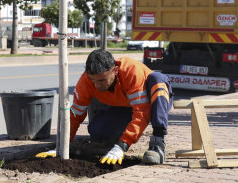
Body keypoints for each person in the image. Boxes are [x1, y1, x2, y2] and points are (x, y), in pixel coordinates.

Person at [36, 49, 173, 165]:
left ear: (115, 71)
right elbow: (75, 115)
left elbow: (142, 113)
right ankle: (116, 140)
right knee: (98, 131)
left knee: (157, 79)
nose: (97, 85)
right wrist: (60, 146)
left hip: (154, 101)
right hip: (123, 107)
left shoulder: (131, 72)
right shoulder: (86, 81)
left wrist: (122, 145)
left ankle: (158, 144)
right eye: (93, 80)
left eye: (102, 80)